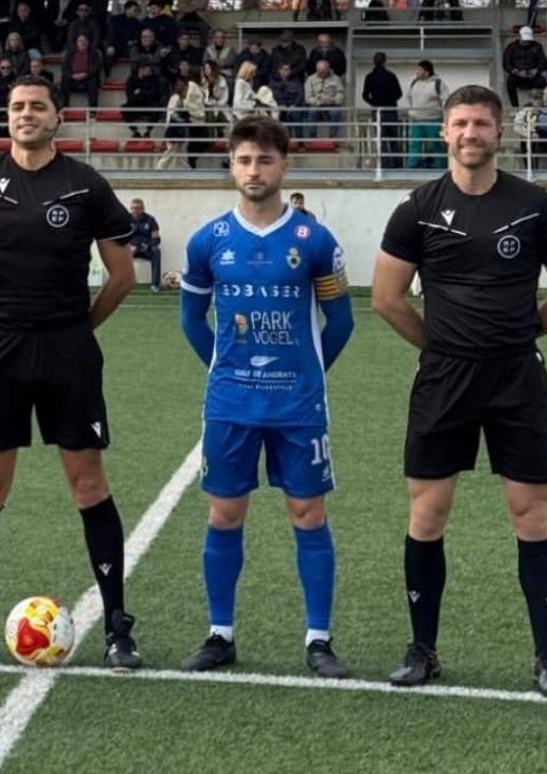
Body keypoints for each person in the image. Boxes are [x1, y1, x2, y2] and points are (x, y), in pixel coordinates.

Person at [371, 84, 547, 698]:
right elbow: (386, 298)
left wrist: (521, 333)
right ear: (445, 132)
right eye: (461, 123)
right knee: (428, 513)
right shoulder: (416, 209)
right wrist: (440, 346)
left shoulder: (538, 207)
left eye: (482, 124)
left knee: (531, 514)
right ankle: (422, 650)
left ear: (500, 132)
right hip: (444, 379)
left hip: (517, 377)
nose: (471, 133)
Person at [0, 75, 141, 670]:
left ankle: (118, 629)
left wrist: (77, 329)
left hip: (68, 350)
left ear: (56, 118)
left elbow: (122, 276)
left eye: (37, 106)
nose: (26, 114)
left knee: (88, 486)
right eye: (18, 106)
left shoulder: (85, 184)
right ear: (8, 116)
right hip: (0, 350)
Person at [179, 114, 354, 675]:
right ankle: (220, 633)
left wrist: (309, 374)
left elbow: (341, 321)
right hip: (231, 404)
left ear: (284, 166)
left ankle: (319, 639)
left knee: (308, 513)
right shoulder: (208, 241)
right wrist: (224, 371)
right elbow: (191, 319)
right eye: (244, 160)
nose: (254, 170)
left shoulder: (315, 241)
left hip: (297, 407)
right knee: (224, 514)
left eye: (265, 160)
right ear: (231, 166)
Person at [362, 52, 403, 167]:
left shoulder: (370, 77)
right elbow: (399, 93)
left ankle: (385, 164)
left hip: (378, 111)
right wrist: (390, 100)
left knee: (381, 139)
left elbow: (365, 95)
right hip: (391, 110)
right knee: (394, 138)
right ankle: (398, 163)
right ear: (385, 62)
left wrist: (374, 102)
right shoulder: (391, 76)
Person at [406, 60, 448, 169]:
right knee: (415, 144)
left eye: (419, 69)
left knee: (436, 145)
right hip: (416, 120)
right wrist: (410, 111)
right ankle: (412, 166)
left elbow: (445, 101)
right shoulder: (414, 82)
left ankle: (440, 166)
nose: (417, 72)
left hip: (433, 119)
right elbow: (408, 97)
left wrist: (445, 119)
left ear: (427, 72)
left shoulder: (438, 83)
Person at [514, 88, 547, 170]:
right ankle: (531, 168)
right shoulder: (525, 110)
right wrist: (529, 134)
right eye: (535, 98)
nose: (538, 101)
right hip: (532, 136)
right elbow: (517, 126)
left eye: (539, 98)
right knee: (526, 143)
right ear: (530, 99)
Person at [503, 27, 547, 108]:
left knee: (542, 81)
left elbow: (542, 61)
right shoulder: (511, 47)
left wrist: (536, 70)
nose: (526, 43)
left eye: (528, 41)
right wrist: (516, 72)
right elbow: (506, 64)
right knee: (510, 82)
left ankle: (540, 104)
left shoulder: (537, 46)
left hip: (533, 74)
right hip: (517, 75)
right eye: (524, 41)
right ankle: (515, 107)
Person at [128, 199, 162, 291]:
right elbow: (121, 237)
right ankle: (124, 283)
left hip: (146, 249)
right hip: (131, 249)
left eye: (138, 208)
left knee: (156, 251)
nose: (135, 210)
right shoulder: (126, 220)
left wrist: (147, 246)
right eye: (133, 208)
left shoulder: (150, 219)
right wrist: (128, 247)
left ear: (143, 209)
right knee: (119, 251)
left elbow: (156, 239)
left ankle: (155, 284)